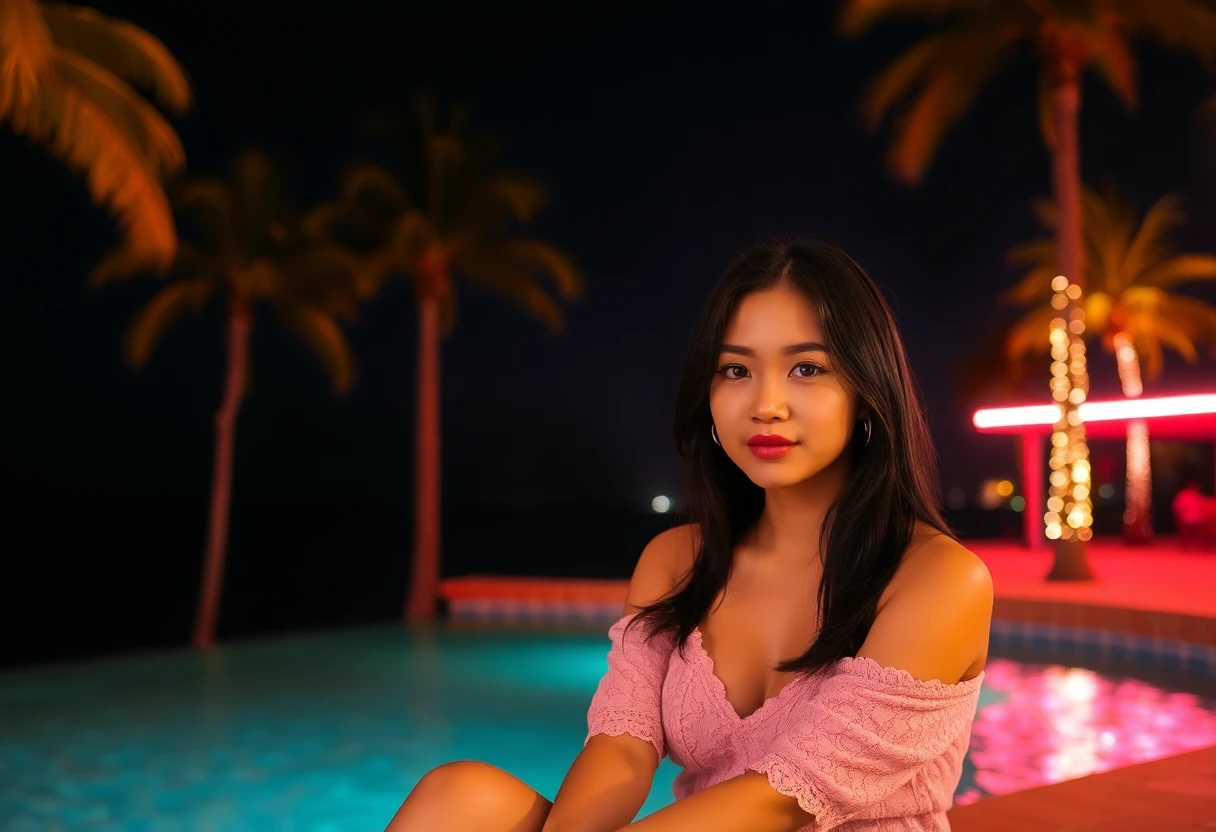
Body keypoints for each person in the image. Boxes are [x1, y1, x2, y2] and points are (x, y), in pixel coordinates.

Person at [385, 240, 994, 831]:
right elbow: (621, 748)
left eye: (807, 368)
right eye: (736, 369)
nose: (767, 405)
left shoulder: (938, 578)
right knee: (459, 797)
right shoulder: (675, 561)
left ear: (866, 392)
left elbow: (783, 800)